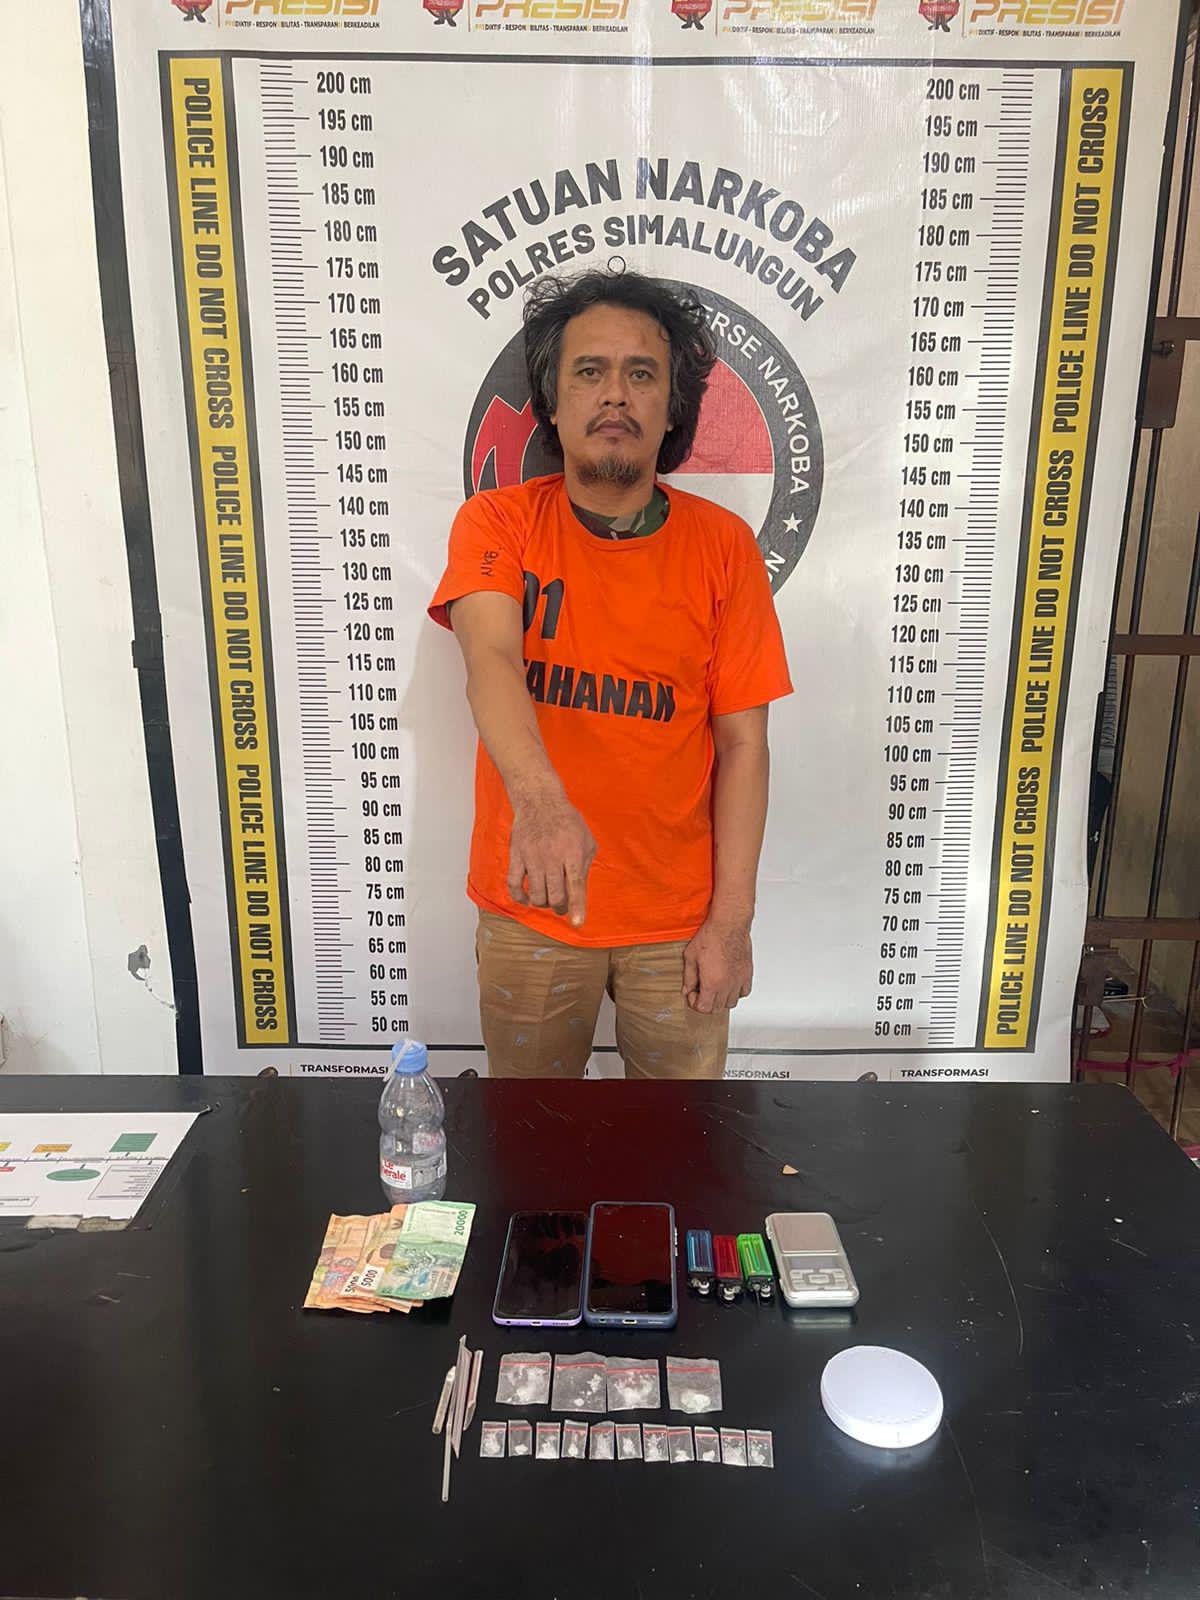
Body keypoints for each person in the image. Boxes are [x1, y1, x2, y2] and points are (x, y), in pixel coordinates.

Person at [429, 268, 792, 1078]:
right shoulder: (498, 523)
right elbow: (489, 658)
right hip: (532, 899)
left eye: (642, 375)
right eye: (589, 372)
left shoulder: (724, 547)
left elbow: (744, 746)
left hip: (679, 922)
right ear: (553, 405)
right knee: (531, 1135)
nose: (615, 396)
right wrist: (542, 805)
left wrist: (731, 922)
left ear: (673, 409)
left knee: (680, 1140)